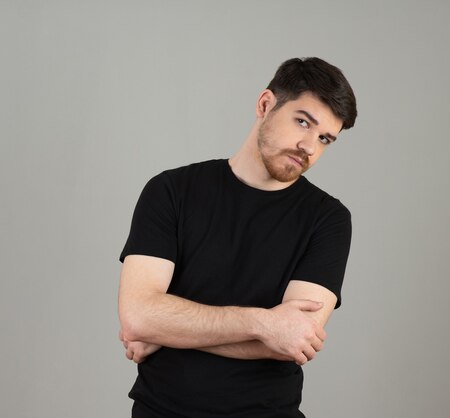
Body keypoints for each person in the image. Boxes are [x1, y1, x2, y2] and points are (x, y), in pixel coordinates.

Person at [117, 57, 357, 417]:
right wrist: (264, 324)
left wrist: (167, 331)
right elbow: (138, 316)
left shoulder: (329, 220)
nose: (309, 146)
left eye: (324, 138)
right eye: (303, 122)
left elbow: (292, 341)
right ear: (265, 105)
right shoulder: (171, 191)